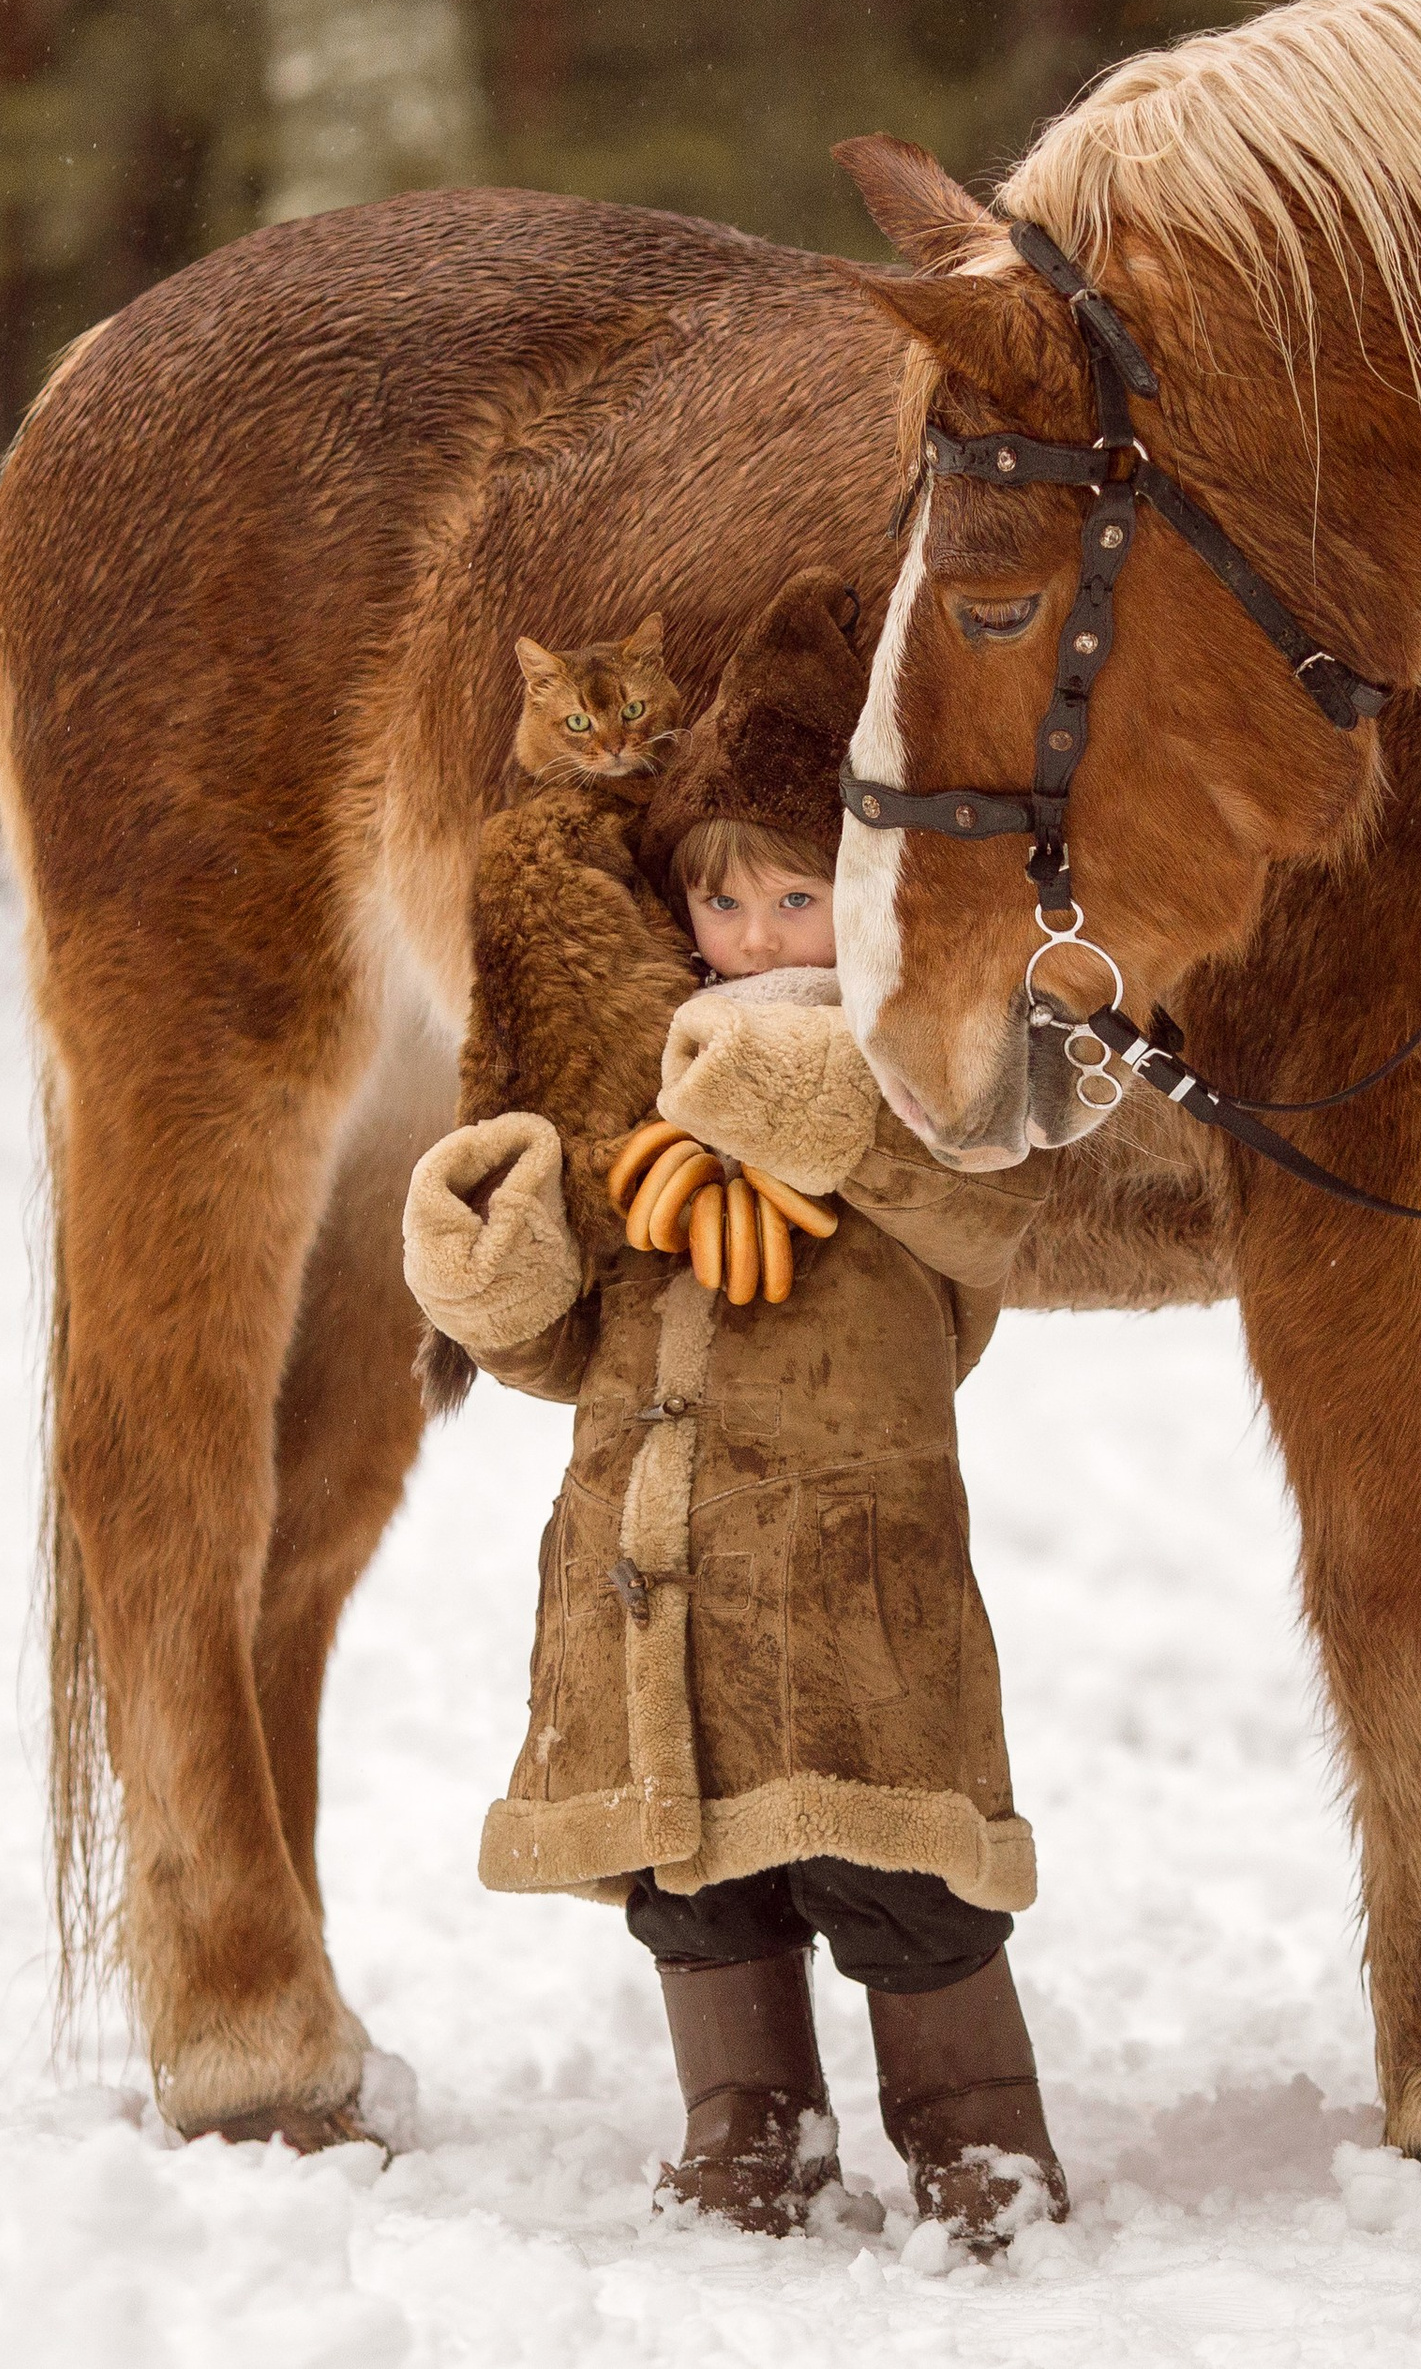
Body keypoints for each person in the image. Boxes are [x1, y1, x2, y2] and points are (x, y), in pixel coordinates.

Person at [403, 573, 1067, 2249]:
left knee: (901, 1881)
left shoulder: (928, 1087)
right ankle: (746, 2121)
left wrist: (816, 1109)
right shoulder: (644, 1096)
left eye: (795, 899)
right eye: (724, 905)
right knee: (694, 1889)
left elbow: (989, 1237)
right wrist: (498, 1267)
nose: (759, 939)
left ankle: (975, 2132)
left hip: (848, 1577)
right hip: (649, 1568)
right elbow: (580, 1350)